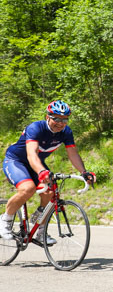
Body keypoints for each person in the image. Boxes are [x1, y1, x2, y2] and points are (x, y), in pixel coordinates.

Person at [1, 100, 96, 245]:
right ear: (48, 117)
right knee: (28, 189)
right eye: (56, 118)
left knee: (51, 192)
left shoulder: (66, 132)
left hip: (36, 163)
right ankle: (5, 220)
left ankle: (40, 231)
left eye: (64, 119)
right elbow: (31, 154)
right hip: (16, 161)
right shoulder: (36, 128)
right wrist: (42, 172)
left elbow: (73, 154)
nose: (60, 123)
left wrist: (83, 172)